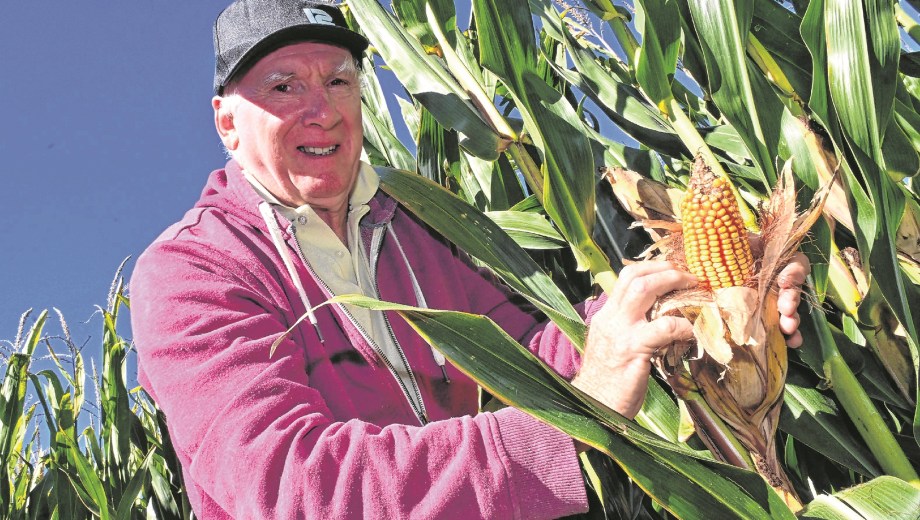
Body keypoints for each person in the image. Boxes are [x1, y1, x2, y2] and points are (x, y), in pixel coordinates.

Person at [130, 1, 809, 518]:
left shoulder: (420, 228)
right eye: (284, 87)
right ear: (226, 121)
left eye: (339, 81)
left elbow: (532, 350)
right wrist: (570, 426)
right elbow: (293, 486)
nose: (323, 111)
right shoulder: (193, 273)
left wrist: (694, 298)